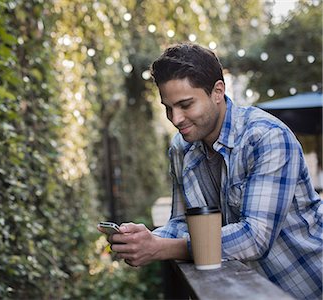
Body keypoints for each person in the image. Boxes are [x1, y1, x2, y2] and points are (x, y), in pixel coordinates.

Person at [98, 43, 322, 299]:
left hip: (307, 286)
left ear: (218, 91)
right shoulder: (181, 148)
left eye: (186, 104)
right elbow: (182, 222)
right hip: (246, 290)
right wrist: (146, 239)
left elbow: (254, 237)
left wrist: (162, 248)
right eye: (168, 107)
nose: (176, 119)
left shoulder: (267, 137)